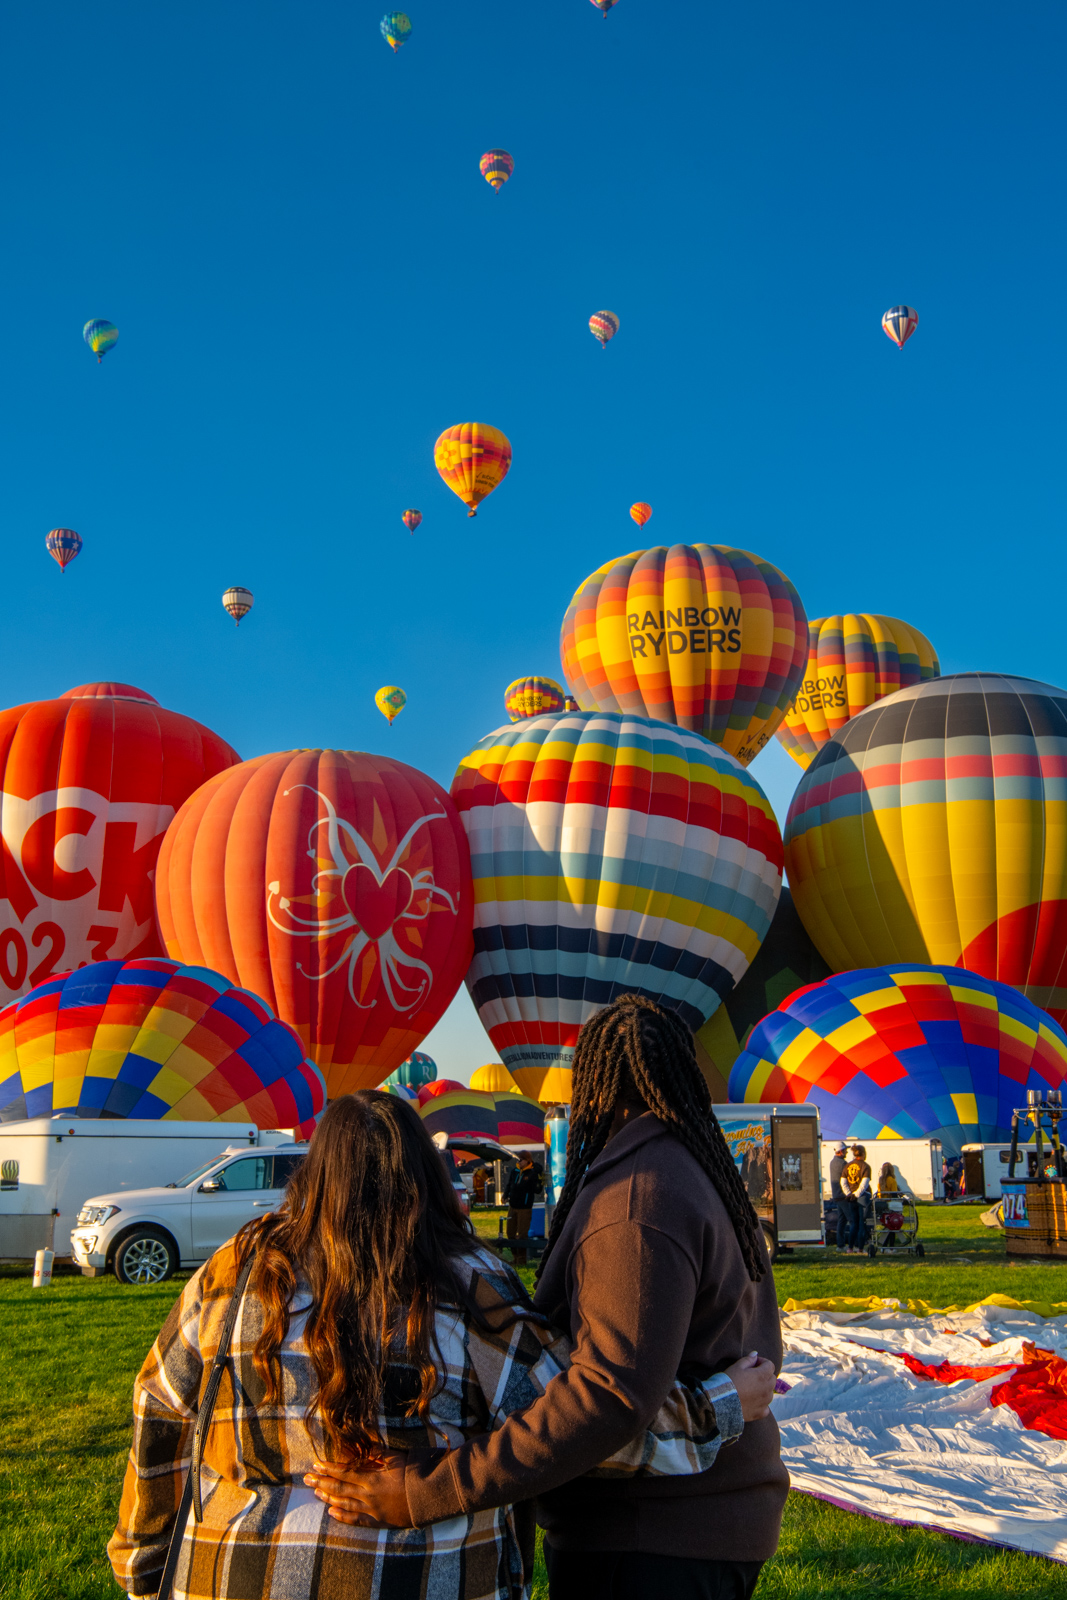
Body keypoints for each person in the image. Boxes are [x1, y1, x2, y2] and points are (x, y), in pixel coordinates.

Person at [108, 1091, 771, 1600]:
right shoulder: (467, 1286)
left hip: (232, 1573)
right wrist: (721, 1403)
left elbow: (159, 1411)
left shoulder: (233, 1273)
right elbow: (578, 1423)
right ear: (427, 1175)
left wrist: (143, 1561)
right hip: (421, 1577)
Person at [309, 994, 787, 1600]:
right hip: (698, 1520)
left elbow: (606, 1399)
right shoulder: (699, 1172)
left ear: (596, 1089)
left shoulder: (636, 1204)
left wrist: (428, 1490)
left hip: (648, 1538)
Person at [502, 1151, 542, 1267]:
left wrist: (537, 1178)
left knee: (522, 1234)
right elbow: (510, 1184)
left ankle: (522, 1259)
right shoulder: (515, 1171)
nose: (518, 1162)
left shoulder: (532, 1172)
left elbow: (537, 1189)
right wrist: (505, 1195)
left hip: (524, 1207)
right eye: (518, 1160)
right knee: (510, 1233)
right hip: (513, 1205)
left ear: (527, 1160)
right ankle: (515, 1257)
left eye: (521, 1160)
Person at [840, 1144, 872, 1253]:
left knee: (853, 1223)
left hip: (850, 1198)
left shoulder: (847, 1166)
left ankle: (850, 1248)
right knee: (862, 1223)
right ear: (863, 1154)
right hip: (862, 1197)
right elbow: (864, 1184)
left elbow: (843, 1182)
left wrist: (849, 1194)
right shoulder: (865, 1166)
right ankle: (860, 1248)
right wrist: (857, 1194)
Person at [828, 1141, 848, 1251]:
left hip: (836, 1195)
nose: (847, 1152)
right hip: (843, 1195)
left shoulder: (832, 1162)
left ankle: (840, 1244)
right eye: (845, 1150)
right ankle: (852, 1245)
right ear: (840, 1151)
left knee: (842, 1220)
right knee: (852, 1219)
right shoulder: (843, 1163)